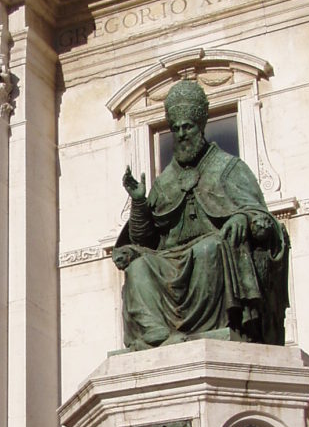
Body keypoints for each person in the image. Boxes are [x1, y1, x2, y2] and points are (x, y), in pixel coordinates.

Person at [112, 79, 289, 349]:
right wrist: (138, 203)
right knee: (138, 267)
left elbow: (259, 215)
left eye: (187, 127)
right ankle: (157, 333)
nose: (181, 134)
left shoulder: (228, 168)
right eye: (176, 129)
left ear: (201, 127)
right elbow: (143, 239)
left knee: (209, 249)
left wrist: (242, 218)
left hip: (213, 249)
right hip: (170, 257)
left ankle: (218, 328)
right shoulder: (164, 182)